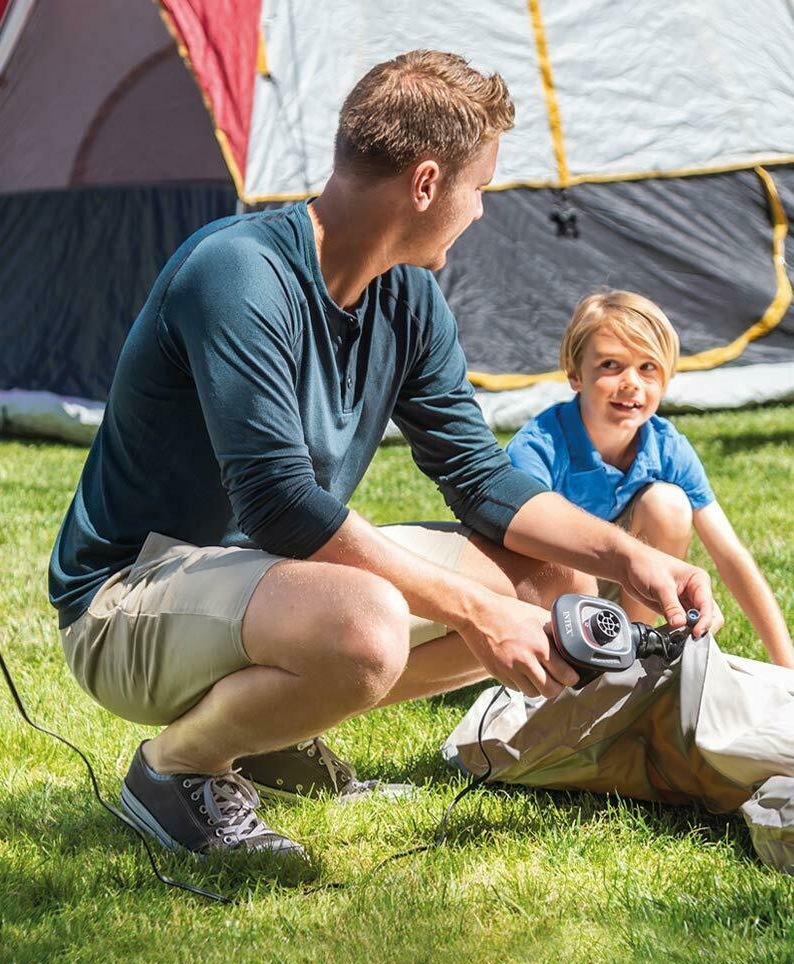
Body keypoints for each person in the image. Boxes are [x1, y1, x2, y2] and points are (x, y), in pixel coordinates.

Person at [49, 51, 721, 857]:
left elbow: (479, 475)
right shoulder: (237, 274)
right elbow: (278, 502)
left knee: (551, 583)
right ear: (428, 184)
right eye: (479, 188)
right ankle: (176, 767)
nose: (480, 212)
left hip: (268, 582)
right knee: (366, 626)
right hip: (127, 600)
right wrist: (476, 612)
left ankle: (269, 729)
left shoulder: (407, 295)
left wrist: (630, 557)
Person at [506, 290, 794, 666]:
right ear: (575, 373)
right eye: (611, 364)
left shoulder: (665, 445)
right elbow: (518, 548)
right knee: (557, 533)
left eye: (647, 368)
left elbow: (730, 557)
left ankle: (624, 651)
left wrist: (787, 667)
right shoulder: (540, 446)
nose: (631, 383)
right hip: (548, 593)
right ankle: (583, 653)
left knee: (668, 504)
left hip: (622, 582)